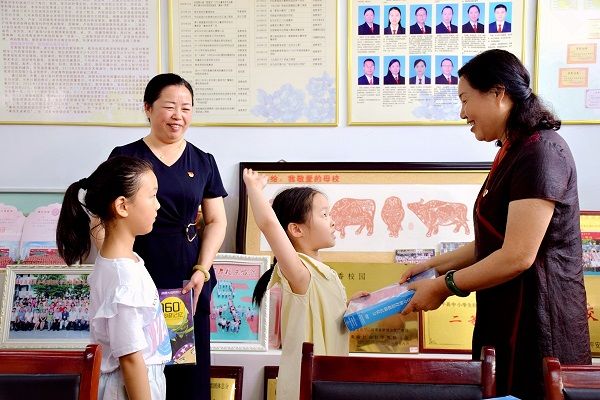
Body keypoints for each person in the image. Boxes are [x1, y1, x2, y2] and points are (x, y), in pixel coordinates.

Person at [399, 49, 591, 399]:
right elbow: (494, 241)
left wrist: (444, 286)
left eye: (465, 99)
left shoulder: (541, 151)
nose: (462, 113)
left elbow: (518, 255)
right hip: (506, 312)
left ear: (498, 93)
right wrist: (431, 265)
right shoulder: (514, 150)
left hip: (538, 323)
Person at [104, 73, 228, 399]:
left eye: (186, 108)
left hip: (187, 278)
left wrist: (202, 269)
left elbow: (216, 221)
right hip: (141, 268)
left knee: (184, 367)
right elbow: (105, 217)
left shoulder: (203, 161)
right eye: (169, 106)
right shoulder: (126, 156)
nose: (178, 115)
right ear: (148, 108)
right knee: (140, 361)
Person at [243, 169, 368, 400]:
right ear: (296, 229)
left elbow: (322, 317)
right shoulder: (299, 272)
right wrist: (253, 188)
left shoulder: (325, 274)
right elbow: (270, 225)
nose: (333, 221)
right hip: (306, 387)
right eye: (324, 214)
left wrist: (349, 305)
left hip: (331, 382)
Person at [56, 156, 172, 399]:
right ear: (122, 206)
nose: (158, 205)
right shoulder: (124, 277)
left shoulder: (121, 262)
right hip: (128, 388)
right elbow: (130, 359)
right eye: (152, 195)